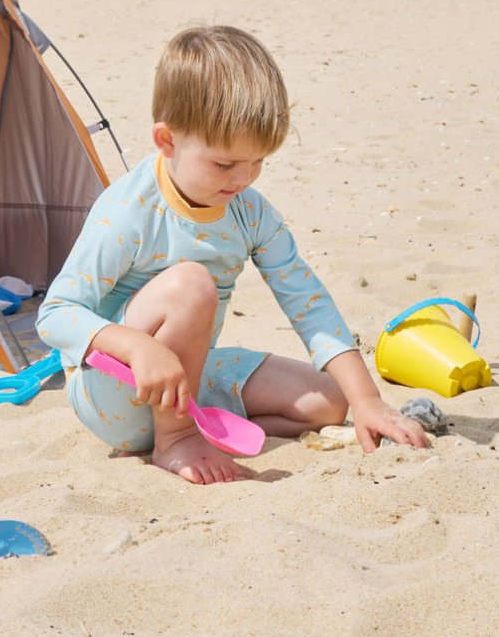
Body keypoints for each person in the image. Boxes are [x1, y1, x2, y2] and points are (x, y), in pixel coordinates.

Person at [36, 24, 427, 485]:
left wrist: (367, 400)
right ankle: (176, 439)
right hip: (116, 390)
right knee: (192, 284)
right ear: (167, 141)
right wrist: (138, 346)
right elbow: (56, 315)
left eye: (258, 161)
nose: (242, 180)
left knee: (328, 401)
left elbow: (307, 301)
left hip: (188, 381)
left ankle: (200, 432)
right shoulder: (129, 211)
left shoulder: (248, 211)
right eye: (224, 164)